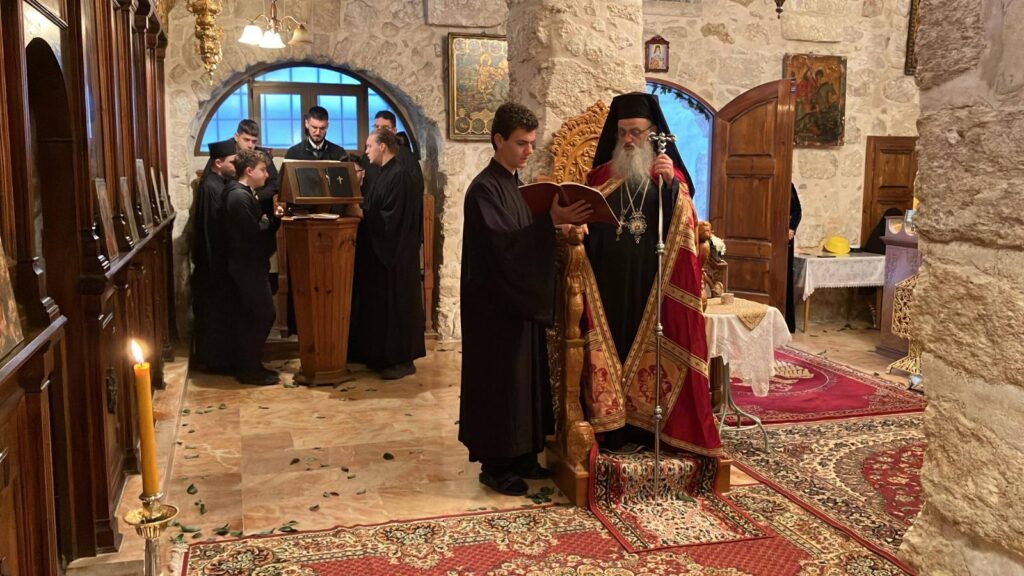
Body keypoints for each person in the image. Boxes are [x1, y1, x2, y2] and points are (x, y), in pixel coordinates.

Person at [459, 102, 591, 496]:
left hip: (519, 301)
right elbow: (503, 247)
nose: (528, 151)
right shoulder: (483, 189)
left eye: (532, 143)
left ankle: (521, 455)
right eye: (521, 143)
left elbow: (525, 236)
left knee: (524, 382)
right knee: (500, 383)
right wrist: (549, 223)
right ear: (498, 139)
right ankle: (495, 465)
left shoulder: (517, 186)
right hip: (494, 308)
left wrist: (556, 226)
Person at [582, 92, 722, 458]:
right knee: (610, 347)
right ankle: (611, 428)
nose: (628, 140)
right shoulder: (600, 176)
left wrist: (671, 187)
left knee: (649, 350)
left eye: (636, 132)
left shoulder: (669, 178)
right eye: (622, 132)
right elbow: (585, 216)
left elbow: (687, 223)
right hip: (606, 285)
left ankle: (648, 427)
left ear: (653, 133)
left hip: (653, 285)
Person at [350, 129, 426, 379]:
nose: (366, 151)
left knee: (398, 307)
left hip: (396, 254)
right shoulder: (382, 172)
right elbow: (375, 206)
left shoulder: (399, 175)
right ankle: (381, 356)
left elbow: (390, 218)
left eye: (369, 146)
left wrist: (362, 213)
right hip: (383, 253)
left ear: (382, 146)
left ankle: (401, 359)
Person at [224, 149, 285, 385]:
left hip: (251, 264)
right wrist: (269, 221)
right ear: (249, 171)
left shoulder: (246, 193)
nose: (267, 175)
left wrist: (269, 220)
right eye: (262, 170)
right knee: (263, 315)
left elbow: (259, 225)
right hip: (247, 265)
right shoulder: (238, 197)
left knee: (254, 315)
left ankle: (251, 365)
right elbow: (252, 234)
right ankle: (249, 369)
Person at [191, 139, 237, 373]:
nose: (236, 165)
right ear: (218, 163)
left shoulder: (219, 182)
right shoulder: (211, 186)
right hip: (213, 266)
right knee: (215, 315)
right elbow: (212, 230)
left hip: (218, 262)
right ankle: (216, 362)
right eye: (232, 161)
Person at [786, 184, 803, 333]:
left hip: (786, 237)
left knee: (786, 278)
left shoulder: (788, 185)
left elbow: (797, 210)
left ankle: (787, 322)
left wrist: (792, 228)